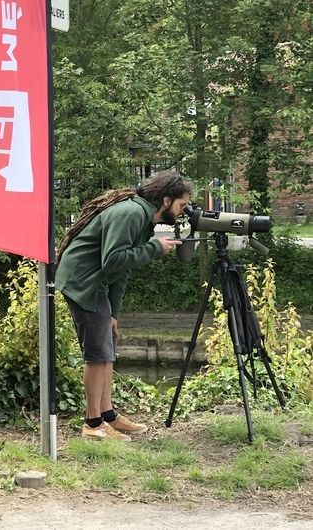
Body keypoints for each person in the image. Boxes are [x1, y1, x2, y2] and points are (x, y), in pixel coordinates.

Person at [55, 170, 192, 442]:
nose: (183, 212)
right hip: (83, 282)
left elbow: (123, 270)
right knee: (97, 355)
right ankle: (93, 424)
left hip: (97, 284)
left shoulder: (143, 219)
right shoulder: (131, 214)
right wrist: (154, 248)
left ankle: (108, 416)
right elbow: (113, 260)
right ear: (166, 200)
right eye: (182, 205)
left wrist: (114, 313)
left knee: (107, 351)